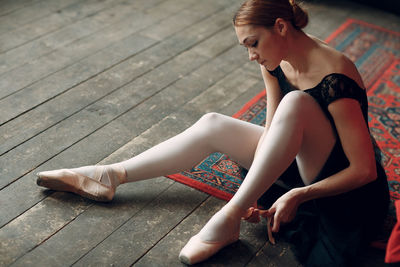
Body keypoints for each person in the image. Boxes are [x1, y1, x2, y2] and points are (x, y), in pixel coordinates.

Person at [36, 0, 390, 265]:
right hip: (299, 159)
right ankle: (110, 175)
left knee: (296, 103)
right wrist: (261, 182)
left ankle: (229, 217)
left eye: (253, 43)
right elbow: (272, 131)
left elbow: (364, 171)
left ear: (281, 27)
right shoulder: (274, 58)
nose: (250, 55)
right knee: (212, 123)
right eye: (245, 47)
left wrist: (298, 195)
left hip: (342, 191)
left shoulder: (336, 74)